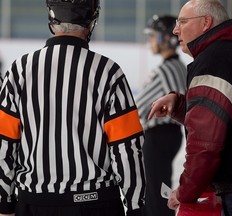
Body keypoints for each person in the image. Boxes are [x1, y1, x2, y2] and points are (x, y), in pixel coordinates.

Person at [0, 0, 146, 216]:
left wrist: (5, 204)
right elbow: (127, 148)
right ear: (92, 22)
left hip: (34, 203)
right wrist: (136, 206)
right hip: (96, 204)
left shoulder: (19, 70)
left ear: (51, 20)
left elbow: (4, 144)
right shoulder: (108, 72)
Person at [148, 0, 232, 215]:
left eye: (183, 22)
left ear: (206, 23)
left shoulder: (214, 61)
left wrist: (185, 191)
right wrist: (180, 105)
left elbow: (206, 143)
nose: (176, 30)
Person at [135, 15, 186, 216]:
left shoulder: (165, 70)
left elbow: (137, 107)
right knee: (159, 186)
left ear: (166, 38)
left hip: (158, 136)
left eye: (154, 36)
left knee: (155, 192)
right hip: (171, 135)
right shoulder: (179, 66)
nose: (151, 41)